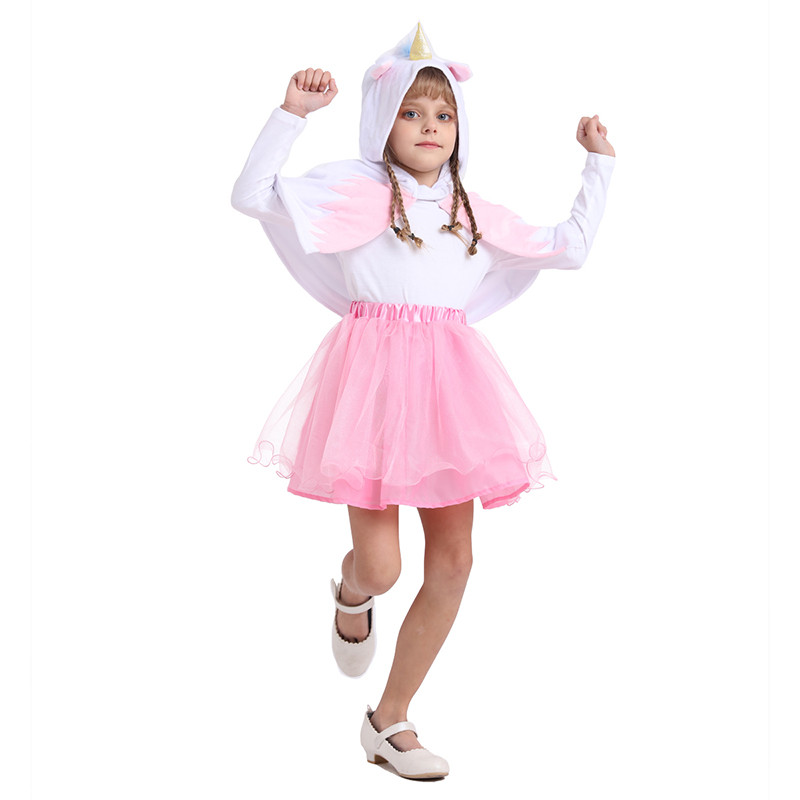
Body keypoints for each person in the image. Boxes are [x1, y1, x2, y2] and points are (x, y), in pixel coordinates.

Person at [231, 24, 615, 780]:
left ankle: (389, 719)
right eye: (411, 112)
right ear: (382, 120)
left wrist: (598, 164)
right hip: (372, 390)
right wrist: (291, 114)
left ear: (460, 127)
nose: (430, 126)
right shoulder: (354, 192)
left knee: (455, 562)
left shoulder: (473, 211)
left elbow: (569, 247)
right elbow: (249, 197)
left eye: (443, 114)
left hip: (450, 394)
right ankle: (353, 592)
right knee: (381, 567)